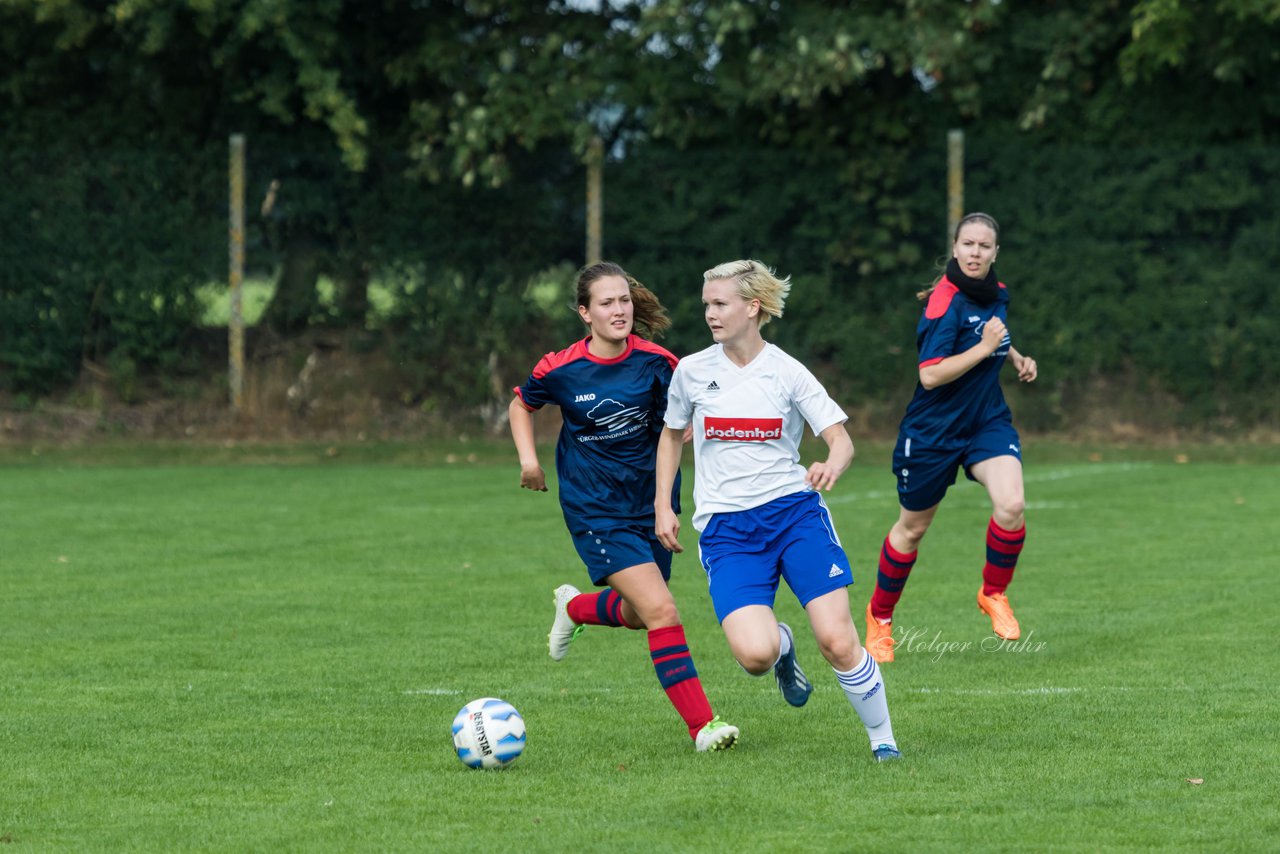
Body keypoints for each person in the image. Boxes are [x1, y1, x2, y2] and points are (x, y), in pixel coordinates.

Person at [654, 259, 901, 763]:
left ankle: (883, 740)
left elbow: (841, 439)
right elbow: (671, 436)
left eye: (720, 304)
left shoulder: (786, 371)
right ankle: (783, 646)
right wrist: (663, 504)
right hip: (727, 530)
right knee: (755, 656)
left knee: (837, 639)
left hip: (794, 516)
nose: (710, 314)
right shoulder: (692, 371)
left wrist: (832, 463)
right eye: (706, 304)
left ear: (753, 306)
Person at [509, 260, 739, 753]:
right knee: (661, 611)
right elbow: (520, 404)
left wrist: (678, 472)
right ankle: (703, 726)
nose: (619, 310)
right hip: (594, 508)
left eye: (624, 300)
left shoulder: (658, 362)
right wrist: (529, 462)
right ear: (584, 313)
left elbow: (686, 418)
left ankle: (573, 607)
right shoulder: (560, 368)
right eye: (607, 303)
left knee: (639, 615)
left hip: (651, 503)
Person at [863, 212, 1038, 663]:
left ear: (995, 252)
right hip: (932, 433)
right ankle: (880, 618)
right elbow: (929, 375)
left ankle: (993, 592)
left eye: (984, 246)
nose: (976, 253)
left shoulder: (996, 293)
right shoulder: (945, 301)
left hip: (985, 422)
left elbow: (989, 331)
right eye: (968, 245)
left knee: (1012, 504)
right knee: (912, 528)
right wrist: (984, 349)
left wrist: (1013, 355)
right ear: (955, 249)